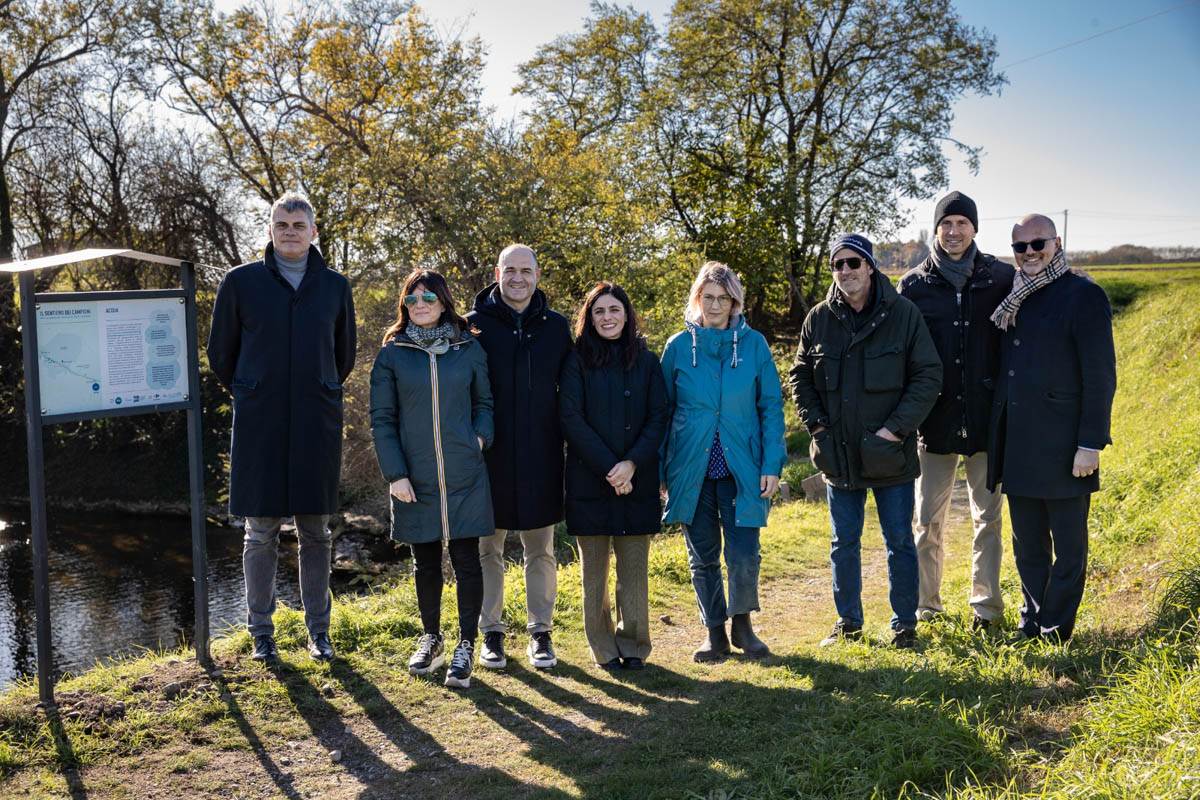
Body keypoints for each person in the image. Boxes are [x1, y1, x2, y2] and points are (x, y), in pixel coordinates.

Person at [207, 192, 356, 664]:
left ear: (314, 232)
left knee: (316, 532)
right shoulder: (241, 283)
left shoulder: (335, 287)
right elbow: (220, 354)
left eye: (298, 224)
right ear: (270, 230)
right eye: (281, 223)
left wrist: (318, 387)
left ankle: (319, 632)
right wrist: (253, 389)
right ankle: (261, 632)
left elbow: (344, 355)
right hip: (261, 424)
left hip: (316, 422)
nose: (290, 231)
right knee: (260, 531)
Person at [789, 234, 942, 649]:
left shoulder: (903, 314)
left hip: (890, 453)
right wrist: (817, 426)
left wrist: (895, 430)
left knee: (898, 541)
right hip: (838, 455)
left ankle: (904, 625)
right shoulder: (818, 318)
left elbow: (928, 376)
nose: (845, 271)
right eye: (837, 264)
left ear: (870, 266)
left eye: (853, 263)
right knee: (844, 543)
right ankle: (848, 623)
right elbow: (800, 375)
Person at [987, 214, 1116, 642]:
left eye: (1037, 243)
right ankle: (1033, 620)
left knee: (1069, 548)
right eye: (1020, 246)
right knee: (1028, 548)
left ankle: (1056, 628)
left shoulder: (1084, 294)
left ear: (1056, 243)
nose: (1029, 253)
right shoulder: (1012, 298)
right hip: (1019, 445)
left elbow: (1100, 376)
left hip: (1066, 447)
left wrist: (1090, 443)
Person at [369, 269, 494, 688]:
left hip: (464, 472)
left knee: (466, 560)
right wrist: (396, 474)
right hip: (415, 478)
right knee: (425, 563)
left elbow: (485, 403)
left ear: (443, 301)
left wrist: (479, 438)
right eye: (412, 298)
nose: (420, 304)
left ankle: (466, 645)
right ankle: (432, 638)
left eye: (428, 297)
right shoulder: (391, 354)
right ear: (404, 305)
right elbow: (382, 419)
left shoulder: (468, 347)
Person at [898, 191, 1015, 630]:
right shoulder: (914, 285)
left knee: (988, 517)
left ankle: (985, 607)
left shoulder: (1002, 277)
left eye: (961, 223)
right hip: (935, 421)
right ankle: (927, 606)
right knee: (927, 521)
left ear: (975, 228)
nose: (953, 232)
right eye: (945, 224)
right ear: (936, 228)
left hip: (988, 418)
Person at [660, 261, 787, 663]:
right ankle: (713, 633)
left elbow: (770, 407)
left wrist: (772, 464)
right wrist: (663, 471)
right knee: (702, 557)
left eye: (724, 299)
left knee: (744, 553)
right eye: (708, 298)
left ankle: (743, 627)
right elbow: (662, 412)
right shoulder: (678, 347)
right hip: (691, 470)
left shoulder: (754, 346)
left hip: (742, 468)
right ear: (697, 299)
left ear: (735, 302)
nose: (715, 306)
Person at [467, 244, 573, 671]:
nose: (517, 278)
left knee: (540, 550)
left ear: (537, 274)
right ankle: (490, 633)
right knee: (487, 550)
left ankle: (540, 632)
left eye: (525, 271)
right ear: (497, 272)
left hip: (541, 454)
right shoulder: (472, 326)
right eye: (509, 270)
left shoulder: (557, 328)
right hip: (487, 458)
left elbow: (571, 392)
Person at [559, 283, 669, 670]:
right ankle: (603, 648)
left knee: (634, 571)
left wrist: (632, 464)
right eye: (599, 311)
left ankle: (634, 645)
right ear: (589, 318)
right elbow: (571, 418)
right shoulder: (575, 361)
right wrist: (611, 466)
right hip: (590, 480)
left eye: (614, 310)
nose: (607, 317)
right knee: (595, 574)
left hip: (636, 479)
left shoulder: (647, 360)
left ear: (627, 315)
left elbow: (659, 416)